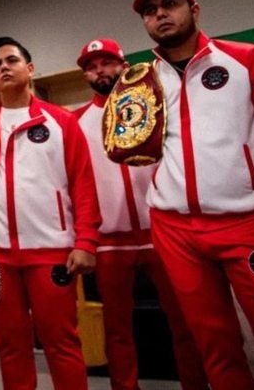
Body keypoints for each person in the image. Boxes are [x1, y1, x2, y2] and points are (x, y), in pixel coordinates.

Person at [131, 0, 254, 389]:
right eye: (150, 11)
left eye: (170, 4)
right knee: (214, 344)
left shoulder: (247, 60)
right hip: (174, 227)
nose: (160, 15)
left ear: (194, 10)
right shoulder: (143, 81)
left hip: (246, 221)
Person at [72, 38, 206, 390]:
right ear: (85, 74)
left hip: (162, 230)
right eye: (91, 66)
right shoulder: (76, 123)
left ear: (122, 64)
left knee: (184, 321)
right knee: (117, 329)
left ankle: (195, 384)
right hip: (109, 240)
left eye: (106, 63)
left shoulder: (156, 104)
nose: (100, 71)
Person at [0, 37, 101, 390]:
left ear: (29, 69)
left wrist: (86, 241)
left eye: (11, 60)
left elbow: (83, 184)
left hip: (51, 251)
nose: (4, 66)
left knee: (61, 344)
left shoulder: (61, 122)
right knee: (10, 346)